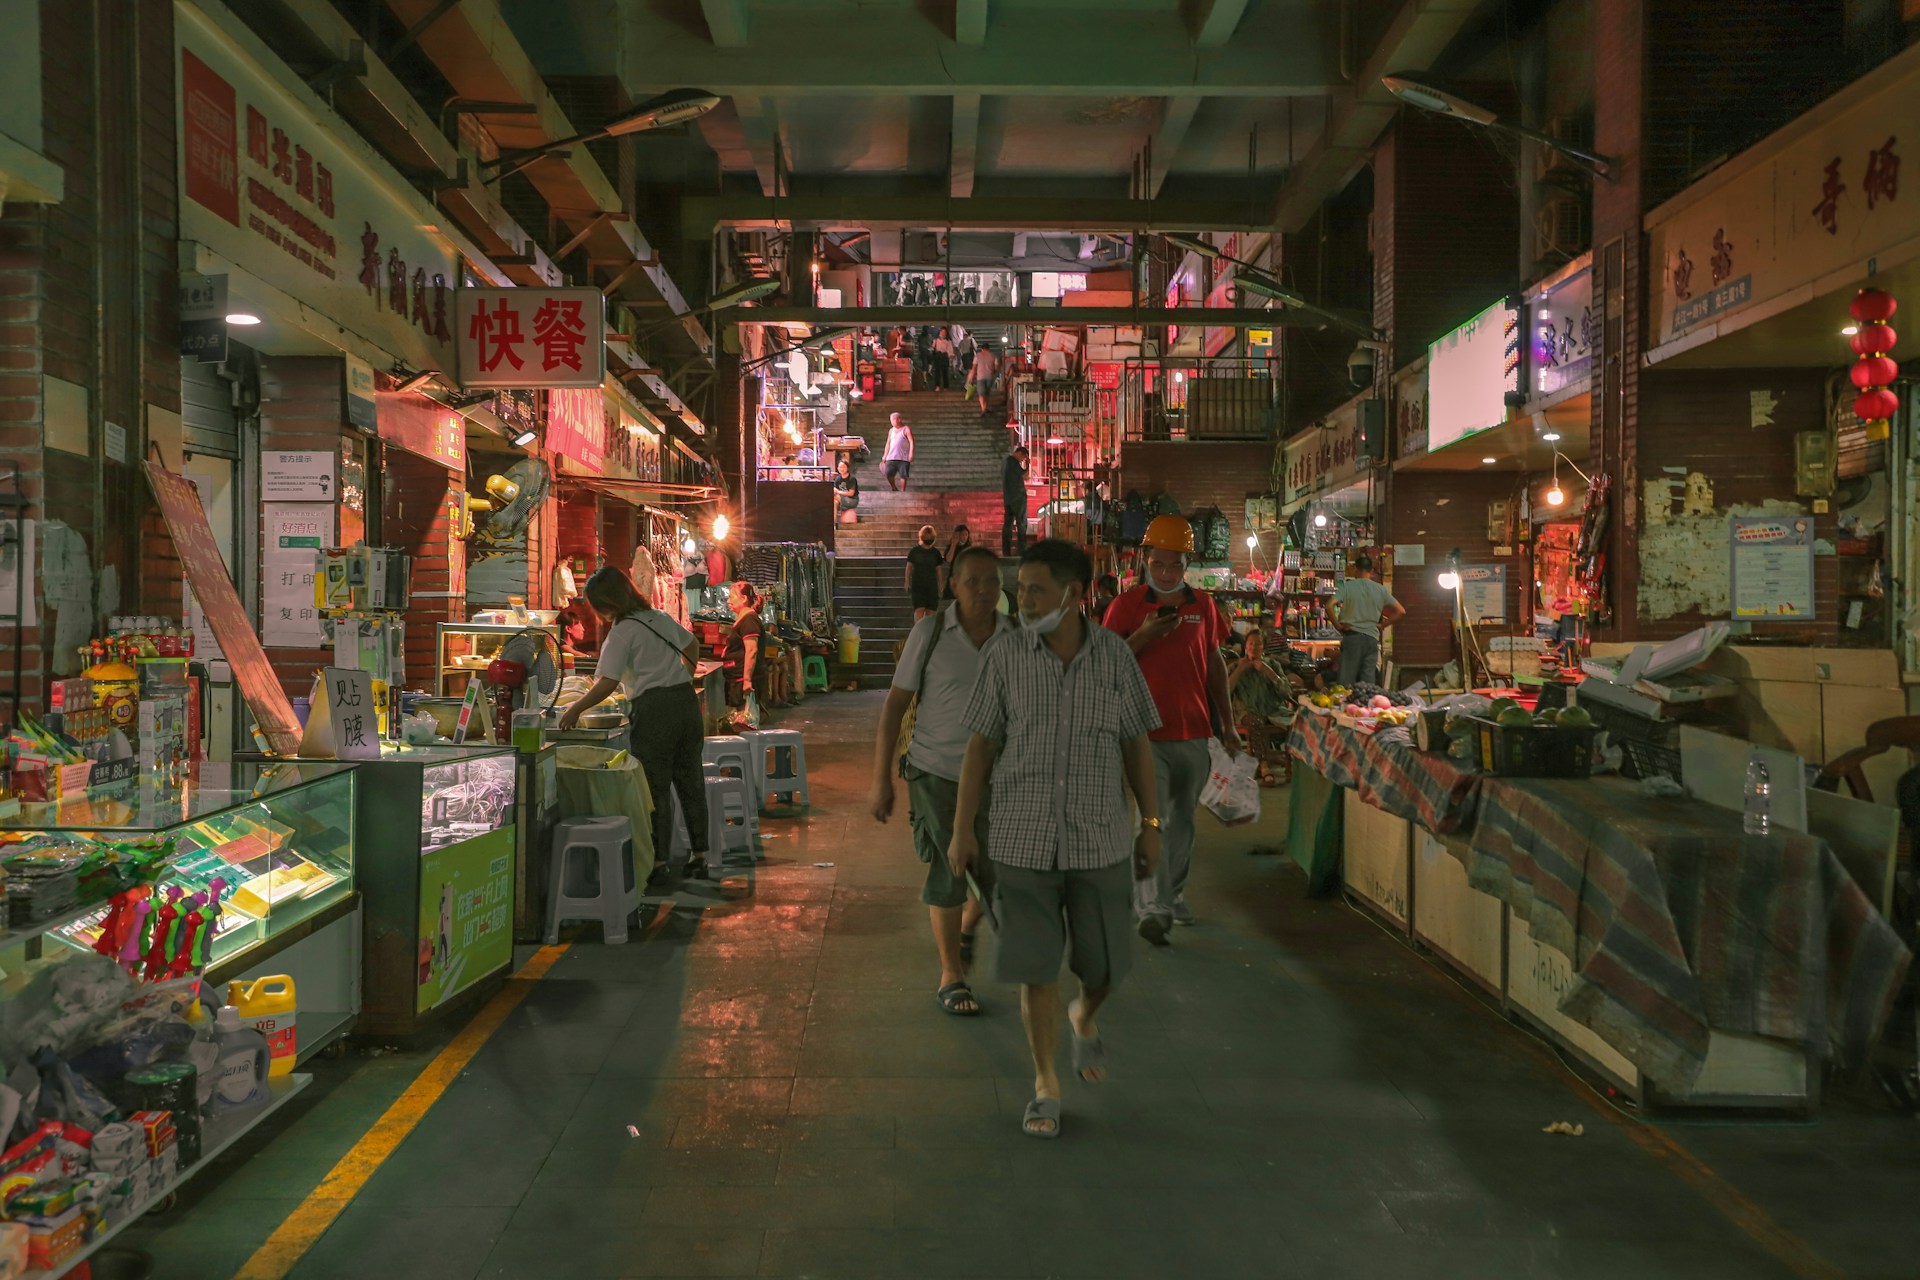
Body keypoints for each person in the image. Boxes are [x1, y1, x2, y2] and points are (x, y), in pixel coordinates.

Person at [950, 539, 1162, 1139]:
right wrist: (964, 830)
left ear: (1072, 595)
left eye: (1035, 589)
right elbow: (980, 747)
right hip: (1021, 840)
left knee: (1104, 969)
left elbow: (1136, 744)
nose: (1021, 599)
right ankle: (1046, 1082)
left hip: (1100, 841)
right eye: (1021, 588)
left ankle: (1084, 1014)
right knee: (1036, 970)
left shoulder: (1116, 658)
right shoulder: (1005, 656)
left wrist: (1150, 826)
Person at [871, 545, 1014, 1017]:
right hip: (934, 773)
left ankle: (968, 925)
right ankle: (952, 974)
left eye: (992, 581)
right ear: (952, 585)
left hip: (998, 778)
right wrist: (882, 781)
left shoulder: (1013, 638)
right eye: (972, 581)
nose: (983, 590)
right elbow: (895, 706)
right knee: (952, 868)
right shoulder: (930, 633)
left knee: (1000, 873)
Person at [1102, 514, 1243, 946]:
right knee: (1154, 817)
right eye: (1158, 564)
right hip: (1142, 734)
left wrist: (1228, 725)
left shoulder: (1203, 606)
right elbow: (1106, 664)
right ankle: (1151, 907)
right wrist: (1143, 635)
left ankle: (1172, 892)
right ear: (1144, 560)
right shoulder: (1125, 608)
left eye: (1175, 565)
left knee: (1183, 822)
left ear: (1187, 563)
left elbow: (1215, 666)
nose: (1166, 573)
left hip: (1194, 731)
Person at [558, 567, 709, 882]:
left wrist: (575, 709)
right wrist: (684, 677)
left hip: (655, 711)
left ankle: (658, 864)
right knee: (690, 781)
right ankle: (701, 856)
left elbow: (607, 682)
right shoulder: (658, 618)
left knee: (655, 788)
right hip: (685, 704)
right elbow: (692, 645)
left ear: (609, 605)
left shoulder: (622, 631)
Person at [1332, 553, 1405, 687]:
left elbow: (1328, 606)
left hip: (1352, 638)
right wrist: (1382, 624)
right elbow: (1401, 611)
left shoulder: (1347, 587)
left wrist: (1338, 626)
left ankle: (1345, 707)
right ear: (1371, 571)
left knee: (1345, 681)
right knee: (1368, 683)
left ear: (1356, 570)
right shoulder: (1380, 590)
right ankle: (1367, 705)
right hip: (1372, 639)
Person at [724, 582, 764, 710]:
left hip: (742, 680)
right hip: (735, 678)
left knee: (744, 720)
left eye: (732, 597)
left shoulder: (749, 620)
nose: (728, 601)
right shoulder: (743, 618)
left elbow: (751, 650)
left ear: (743, 599)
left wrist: (747, 680)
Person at [905, 525, 945, 621]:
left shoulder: (935, 553)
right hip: (918, 585)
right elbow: (909, 566)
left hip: (931, 585)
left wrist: (940, 583)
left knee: (930, 613)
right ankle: (918, 633)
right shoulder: (915, 551)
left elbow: (939, 569)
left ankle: (928, 634)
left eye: (930, 537)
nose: (928, 539)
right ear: (922, 536)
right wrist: (907, 581)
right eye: (927, 536)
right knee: (919, 610)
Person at [1001, 445, 1029, 556]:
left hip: (1008, 497)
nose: (1022, 460)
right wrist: (1028, 464)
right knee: (1021, 524)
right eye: (1023, 458)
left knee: (1007, 525)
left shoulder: (1005, 462)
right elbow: (1025, 476)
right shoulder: (1013, 462)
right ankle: (1021, 551)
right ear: (1020, 453)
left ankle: (1006, 551)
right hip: (1018, 497)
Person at [941, 524, 973, 600]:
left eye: (966, 535)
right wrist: (954, 545)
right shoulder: (951, 546)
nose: (964, 537)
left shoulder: (968, 547)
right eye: (962, 535)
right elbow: (948, 559)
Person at [883, 413, 914, 491]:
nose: (891, 422)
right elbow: (888, 443)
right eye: (891, 420)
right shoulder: (891, 430)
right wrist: (885, 455)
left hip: (903, 457)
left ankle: (902, 491)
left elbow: (911, 441)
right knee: (888, 473)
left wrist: (911, 453)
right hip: (891, 457)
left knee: (903, 475)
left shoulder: (906, 429)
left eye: (893, 420)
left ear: (899, 419)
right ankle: (894, 487)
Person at [970, 340, 1000, 415]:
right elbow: (996, 368)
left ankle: (983, 409)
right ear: (988, 348)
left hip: (980, 377)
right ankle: (985, 408)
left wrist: (971, 378)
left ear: (982, 349)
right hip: (989, 377)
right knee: (987, 393)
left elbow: (974, 368)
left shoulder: (977, 356)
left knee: (981, 394)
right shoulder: (993, 356)